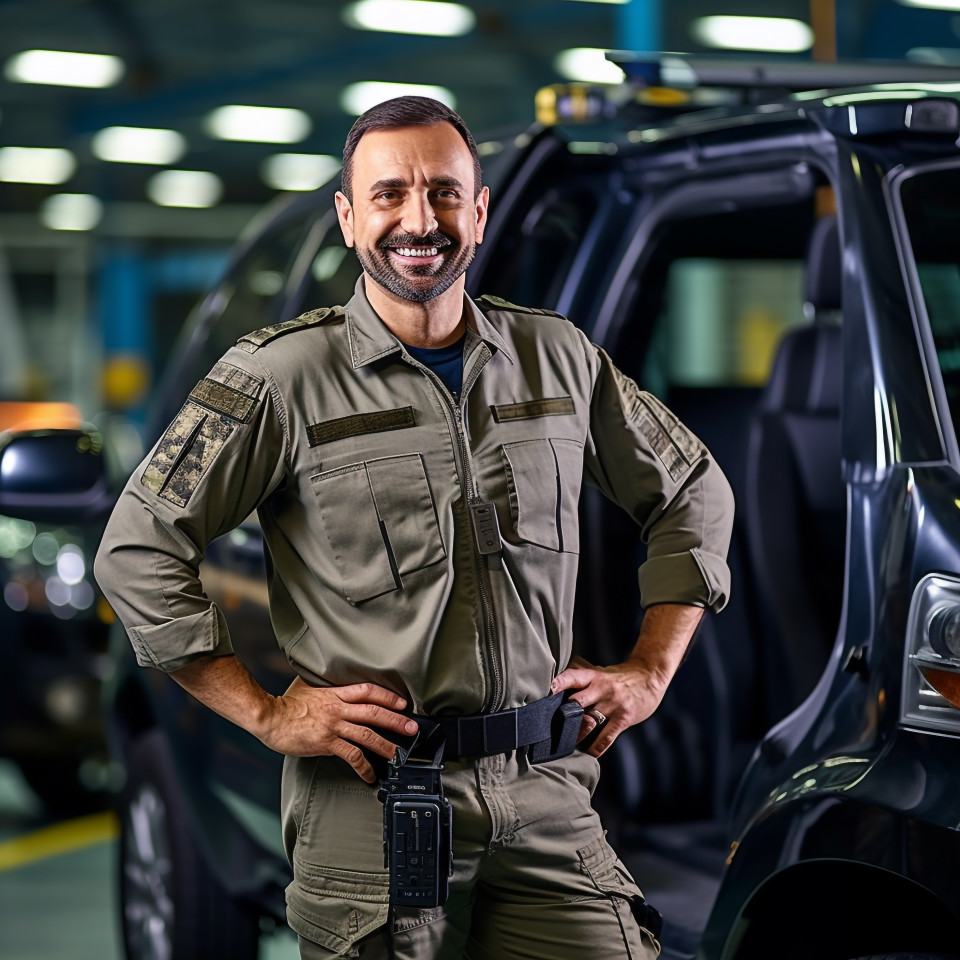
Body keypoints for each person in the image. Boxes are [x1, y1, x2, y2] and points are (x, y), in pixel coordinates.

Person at [94, 95, 734, 960]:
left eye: (443, 192)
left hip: (548, 793)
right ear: (349, 218)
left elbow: (694, 488)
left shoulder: (558, 357)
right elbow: (136, 549)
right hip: (372, 807)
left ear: (479, 211)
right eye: (389, 194)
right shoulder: (277, 376)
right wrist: (269, 715)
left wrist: (651, 669)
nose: (419, 220)